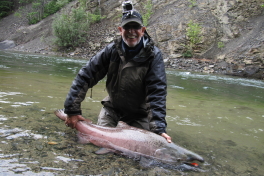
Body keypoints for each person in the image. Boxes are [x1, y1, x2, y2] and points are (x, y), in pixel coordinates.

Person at [63, 9, 172, 143]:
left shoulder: (153, 56)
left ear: (143, 30)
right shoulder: (111, 51)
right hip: (112, 110)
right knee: (101, 144)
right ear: (120, 30)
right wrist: (72, 111)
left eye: (136, 27)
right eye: (127, 27)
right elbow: (85, 76)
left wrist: (159, 130)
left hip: (139, 115)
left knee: (141, 153)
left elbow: (156, 93)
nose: (131, 31)